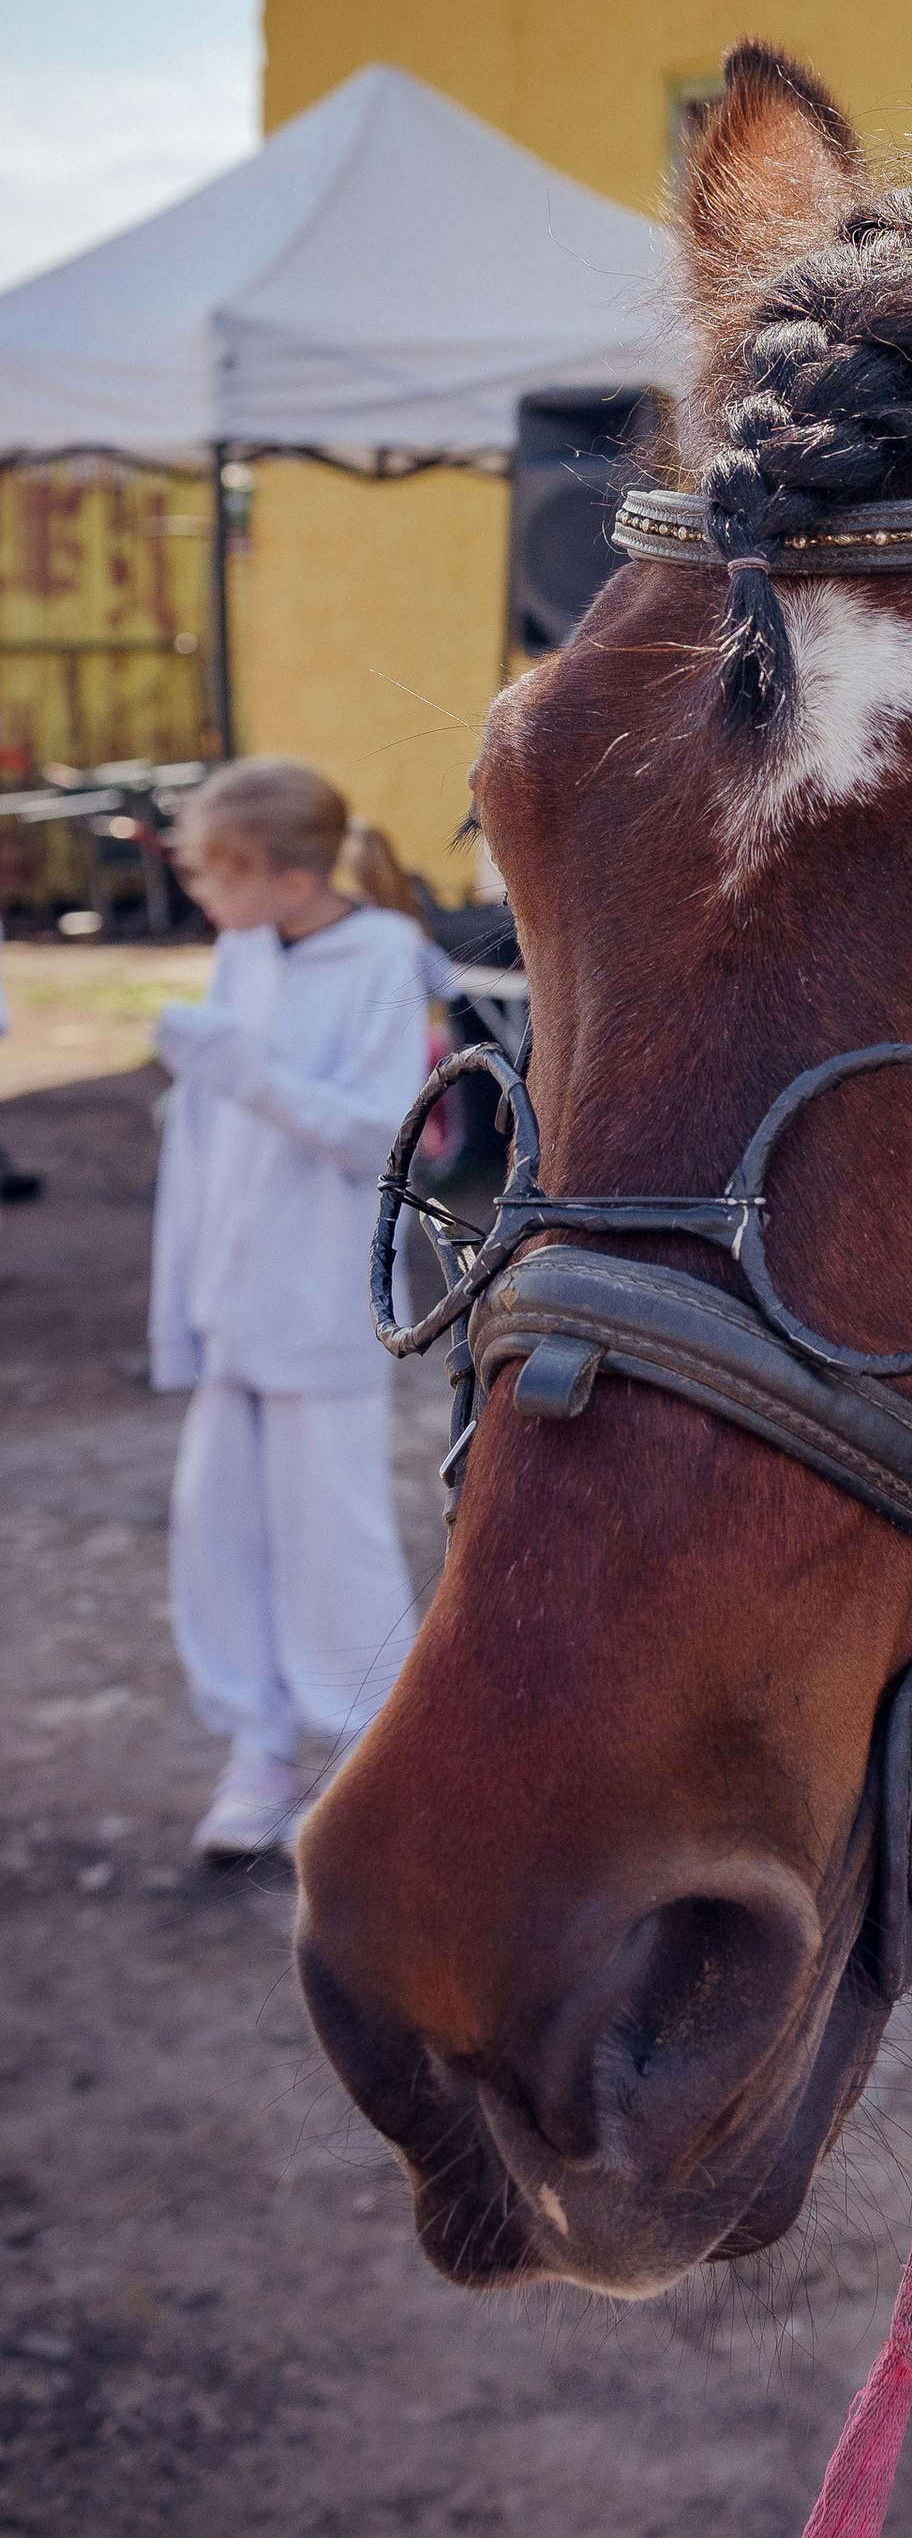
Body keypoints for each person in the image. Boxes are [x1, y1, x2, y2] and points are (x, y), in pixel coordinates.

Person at [151, 760, 427, 1859]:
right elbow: (215, 1140)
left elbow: (375, 1136)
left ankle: (362, 1754)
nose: (203, 897)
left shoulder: (385, 958)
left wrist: (239, 1067)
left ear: (296, 878)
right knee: (219, 1533)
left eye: (221, 874)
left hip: (316, 1298)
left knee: (333, 1537)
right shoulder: (245, 948)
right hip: (231, 1291)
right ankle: (259, 1744)